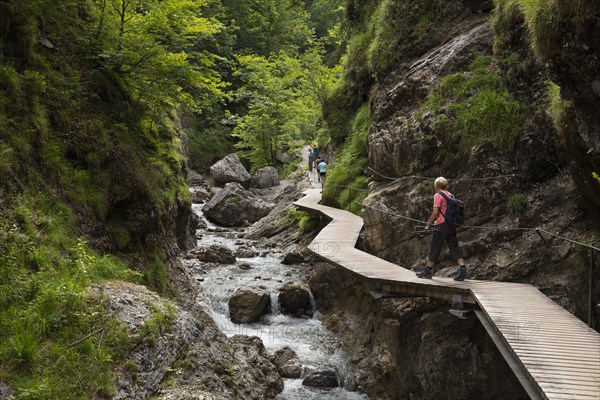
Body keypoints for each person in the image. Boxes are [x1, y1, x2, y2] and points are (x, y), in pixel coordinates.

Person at [416, 177, 469, 281]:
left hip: (441, 224)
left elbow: (436, 211)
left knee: (435, 246)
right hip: (451, 225)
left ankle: (427, 271)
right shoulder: (451, 195)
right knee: (454, 247)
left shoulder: (438, 195)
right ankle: (463, 270)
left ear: (436, 186)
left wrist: (428, 224)